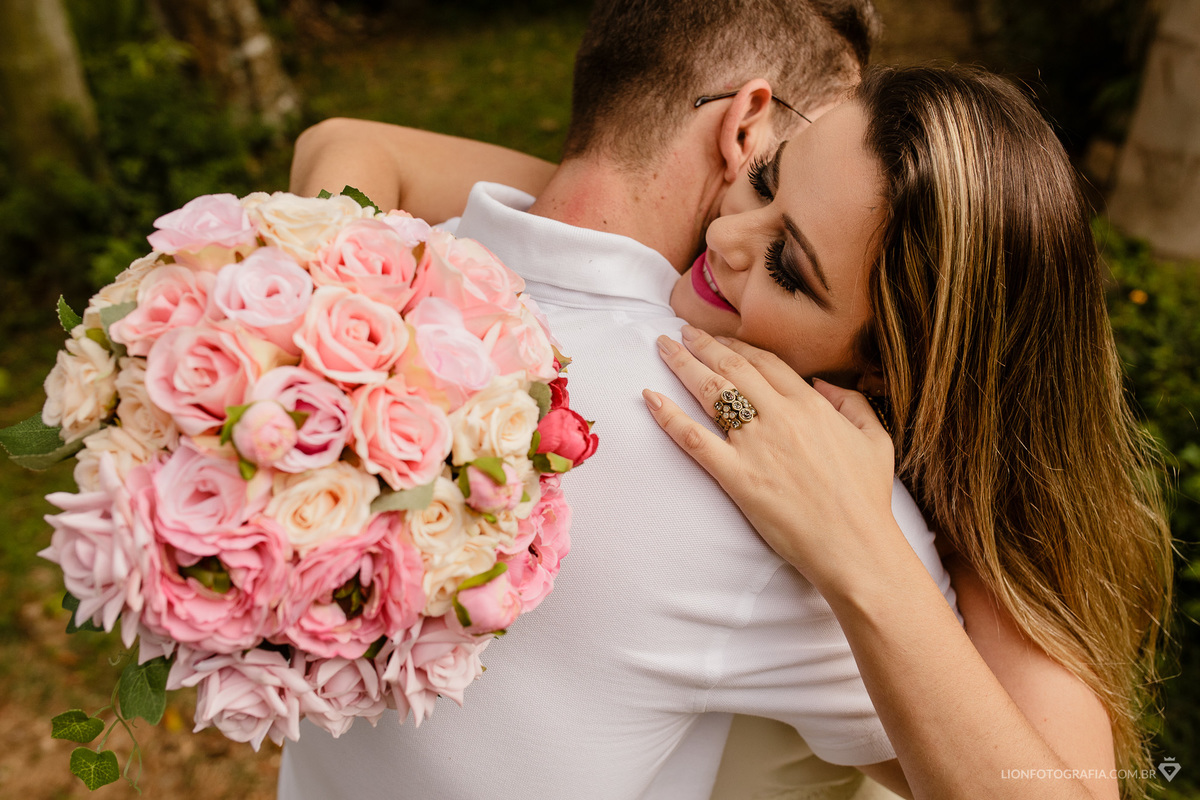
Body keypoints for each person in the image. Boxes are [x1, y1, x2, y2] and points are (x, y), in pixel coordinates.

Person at [281, 1, 953, 798]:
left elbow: (341, 140)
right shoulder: (779, 489)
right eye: (785, 169)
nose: (738, 242)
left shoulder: (362, 302)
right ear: (746, 131)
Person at [644, 66, 1173, 799]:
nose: (725, 232)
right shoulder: (702, 245)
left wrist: (856, 549)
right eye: (766, 180)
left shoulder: (965, 552)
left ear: (888, 369)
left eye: (788, 268)